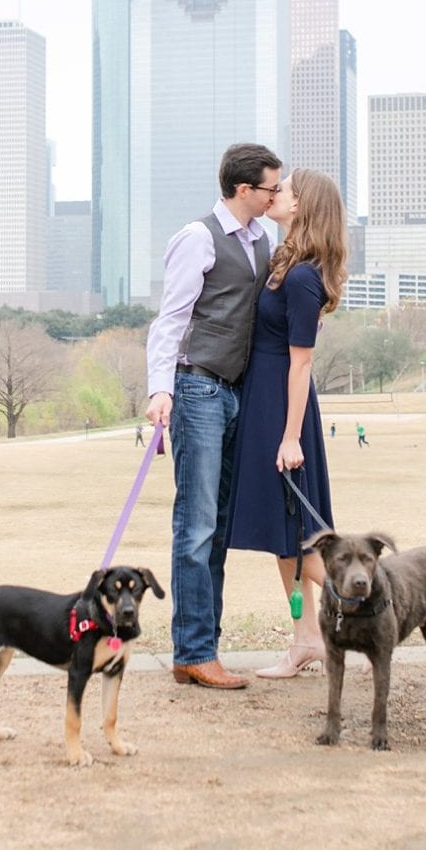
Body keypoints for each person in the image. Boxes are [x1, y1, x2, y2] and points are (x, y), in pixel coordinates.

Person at [143, 142, 282, 691]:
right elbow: (170, 320)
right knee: (196, 524)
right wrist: (160, 390)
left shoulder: (262, 238)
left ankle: (204, 649)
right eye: (271, 188)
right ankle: (194, 652)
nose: (276, 196)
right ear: (244, 189)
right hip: (197, 388)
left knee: (219, 526)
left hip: (237, 393)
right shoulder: (197, 238)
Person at [225, 167, 348, 678]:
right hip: (265, 401)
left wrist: (291, 436)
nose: (277, 195)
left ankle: (374, 601)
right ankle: (306, 641)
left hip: (282, 406)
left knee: (298, 534)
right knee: (285, 533)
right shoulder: (286, 262)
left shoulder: (301, 277)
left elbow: (302, 362)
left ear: (301, 207)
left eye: (286, 191)